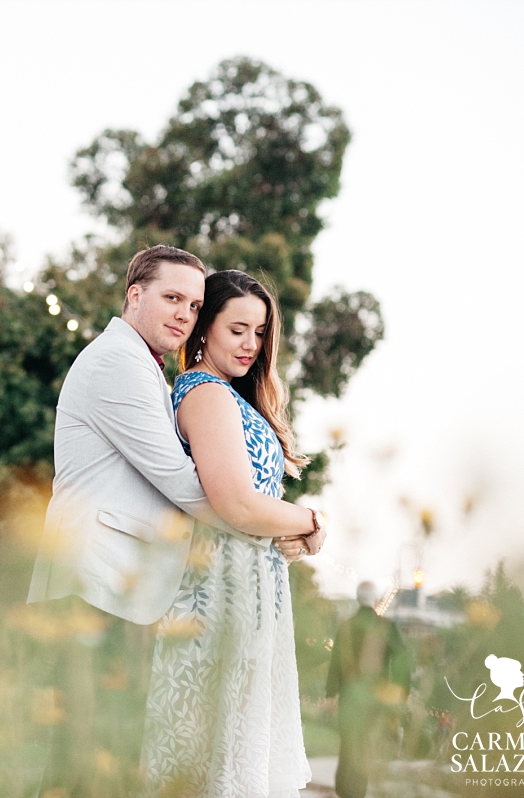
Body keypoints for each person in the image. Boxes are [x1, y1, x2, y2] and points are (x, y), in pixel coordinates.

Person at [27, 249, 323, 797]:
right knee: (83, 764)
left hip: (119, 585)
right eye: (173, 298)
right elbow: (192, 487)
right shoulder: (119, 362)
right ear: (134, 294)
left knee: (99, 764)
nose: (184, 313)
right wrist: (294, 520)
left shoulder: (149, 369)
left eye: (193, 302)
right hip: (95, 582)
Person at [139, 269, 324, 797]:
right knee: (214, 760)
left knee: (241, 757)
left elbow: (255, 506)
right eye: (237, 328)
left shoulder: (232, 396)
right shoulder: (206, 393)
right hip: (218, 594)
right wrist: (312, 521)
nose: (251, 344)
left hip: (249, 590)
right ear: (205, 328)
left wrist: (291, 530)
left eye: (261, 332)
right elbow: (239, 504)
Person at [325, 581, 411, 798]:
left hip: (348, 697)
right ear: (375, 600)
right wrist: (402, 694)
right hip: (375, 697)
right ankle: (357, 792)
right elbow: (403, 661)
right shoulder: (386, 626)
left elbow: (335, 664)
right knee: (364, 745)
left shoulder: (345, 626)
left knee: (348, 744)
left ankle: (344, 790)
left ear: (357, 598)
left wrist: (330, 695)